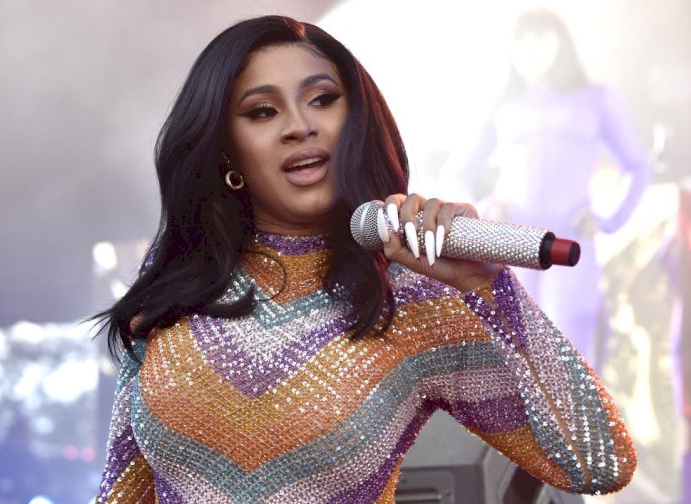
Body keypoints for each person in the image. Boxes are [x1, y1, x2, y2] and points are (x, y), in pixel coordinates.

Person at [93, 15, 636, 503]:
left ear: (355, 120)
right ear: (226, 149)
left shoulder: (411, 296)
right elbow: (123, 491)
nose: (300, 125)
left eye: (322, 99)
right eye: (262, 111)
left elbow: (600, 463)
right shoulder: (177, 287)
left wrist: (494, 292)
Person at [440, 9, 652, 368]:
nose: (530, 48)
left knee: (573, 358)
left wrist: (606, 217)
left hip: (570, 244)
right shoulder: (502, 106)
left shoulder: (598, 100)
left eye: (540, 37)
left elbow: (638, 167)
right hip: (512, 246)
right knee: (515, 360)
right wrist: (483, 212)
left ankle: (579, 426)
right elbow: (457, 171)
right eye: (521, 40)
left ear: (561, 42)